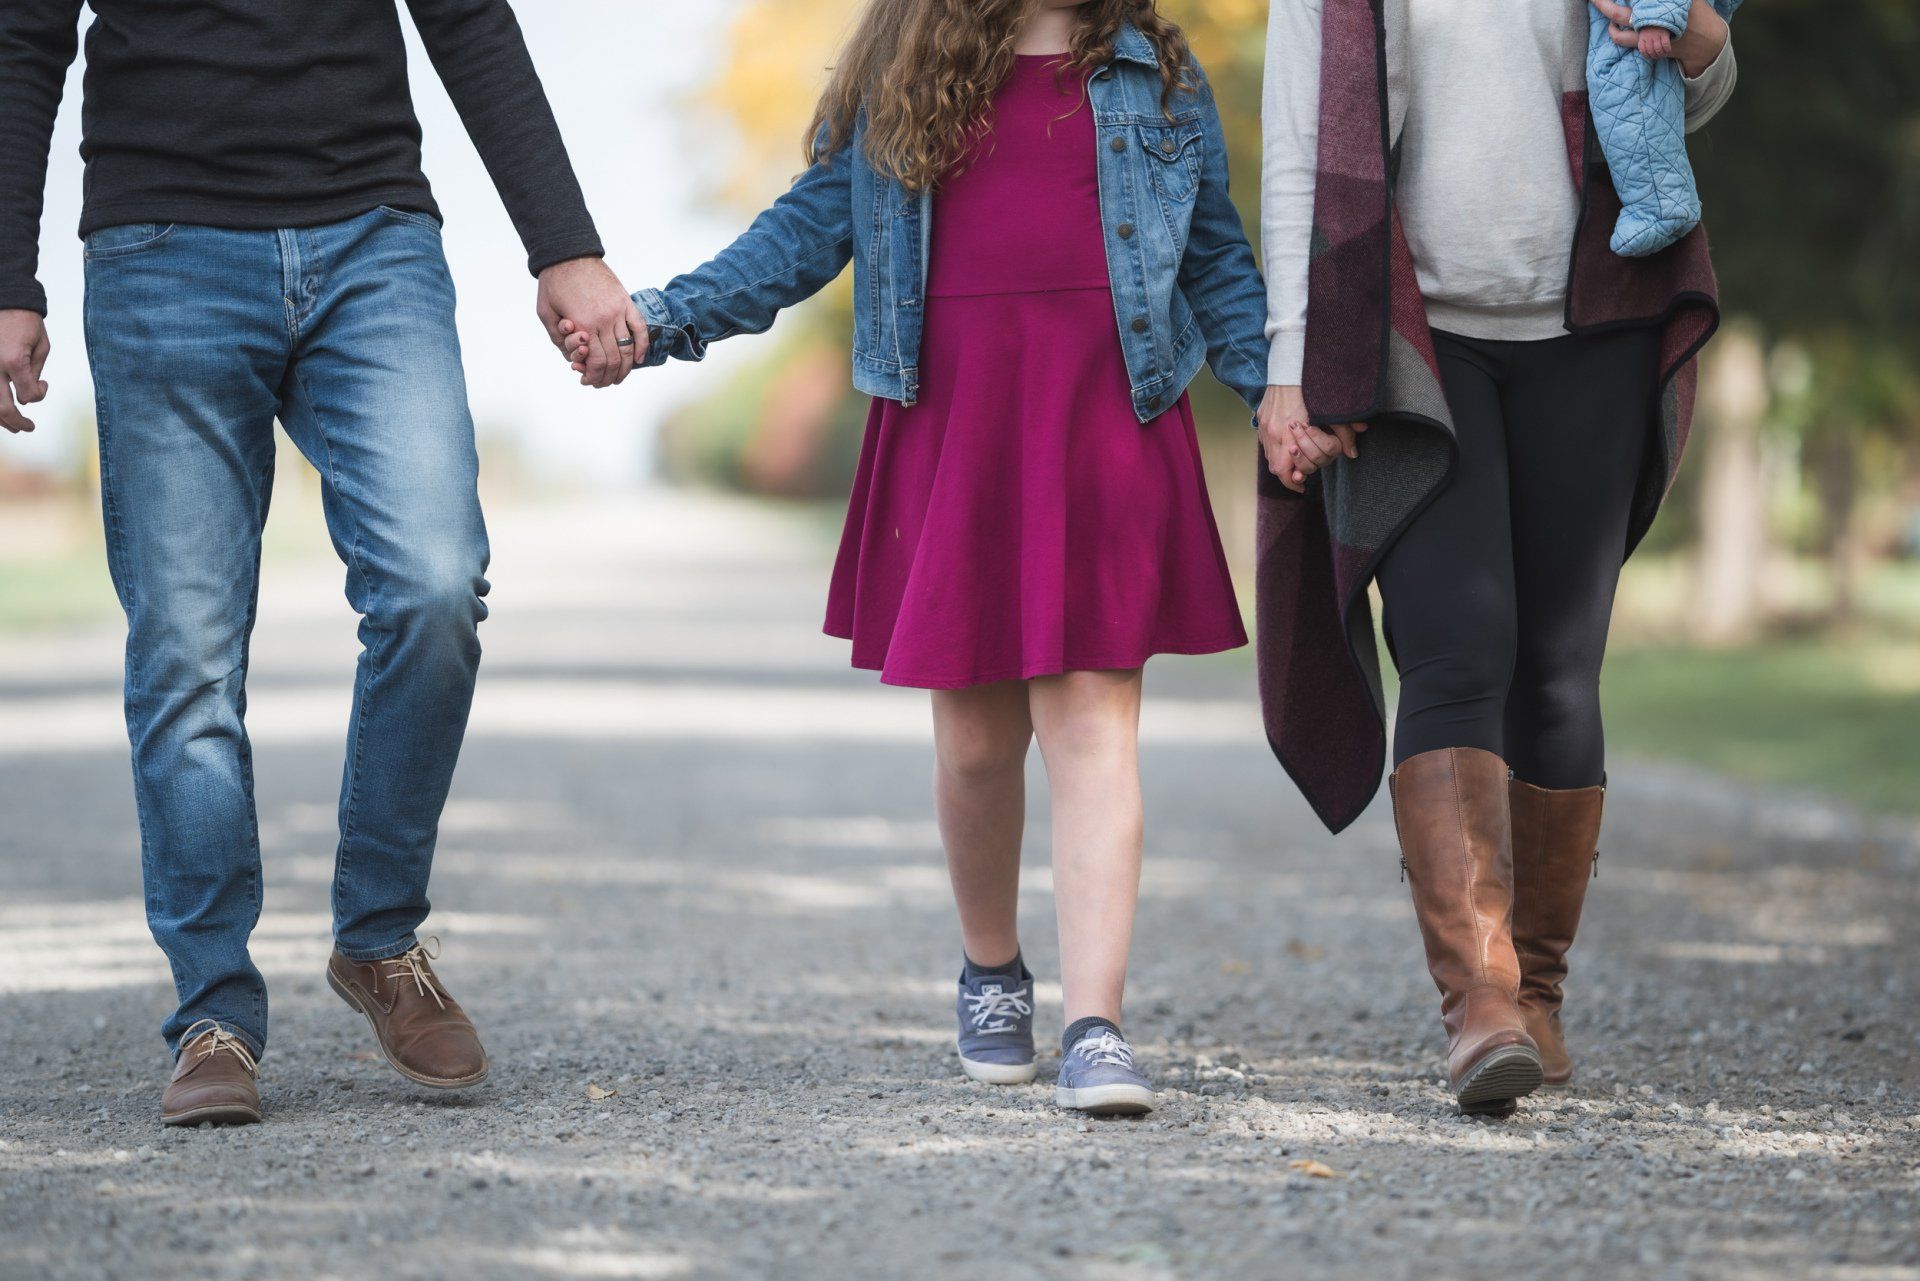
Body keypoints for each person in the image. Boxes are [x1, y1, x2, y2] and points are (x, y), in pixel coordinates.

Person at [566, 0, 1268, 1115]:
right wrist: (662, 319)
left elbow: (1217, 260)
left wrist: (1274, 390)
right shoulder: (902, 67)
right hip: (960, 423)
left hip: (1102, 418)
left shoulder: (1155, 74)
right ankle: (992, 970)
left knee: (1093, 725)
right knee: (980, 742)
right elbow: (797, 239)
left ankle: (1097, 1024)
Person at [0, 0, 641, 1126]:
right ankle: (213, 1014)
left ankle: (380, 941)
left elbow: (470, 19)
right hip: (162, 247)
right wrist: (8, 272)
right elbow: (25, 35)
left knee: (436, 580)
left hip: (372, 237)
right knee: (188, 649)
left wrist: (565, 243)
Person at [1255, 0, 1734, 1114]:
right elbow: (1298, 158)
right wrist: (1292, 365)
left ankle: (1541, 994)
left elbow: (1678, 98)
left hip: (1596, 323)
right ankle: (1481, 1001)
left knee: (1560, 668)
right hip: (1413, 338)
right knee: (1458, 645)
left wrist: (1707, 50)